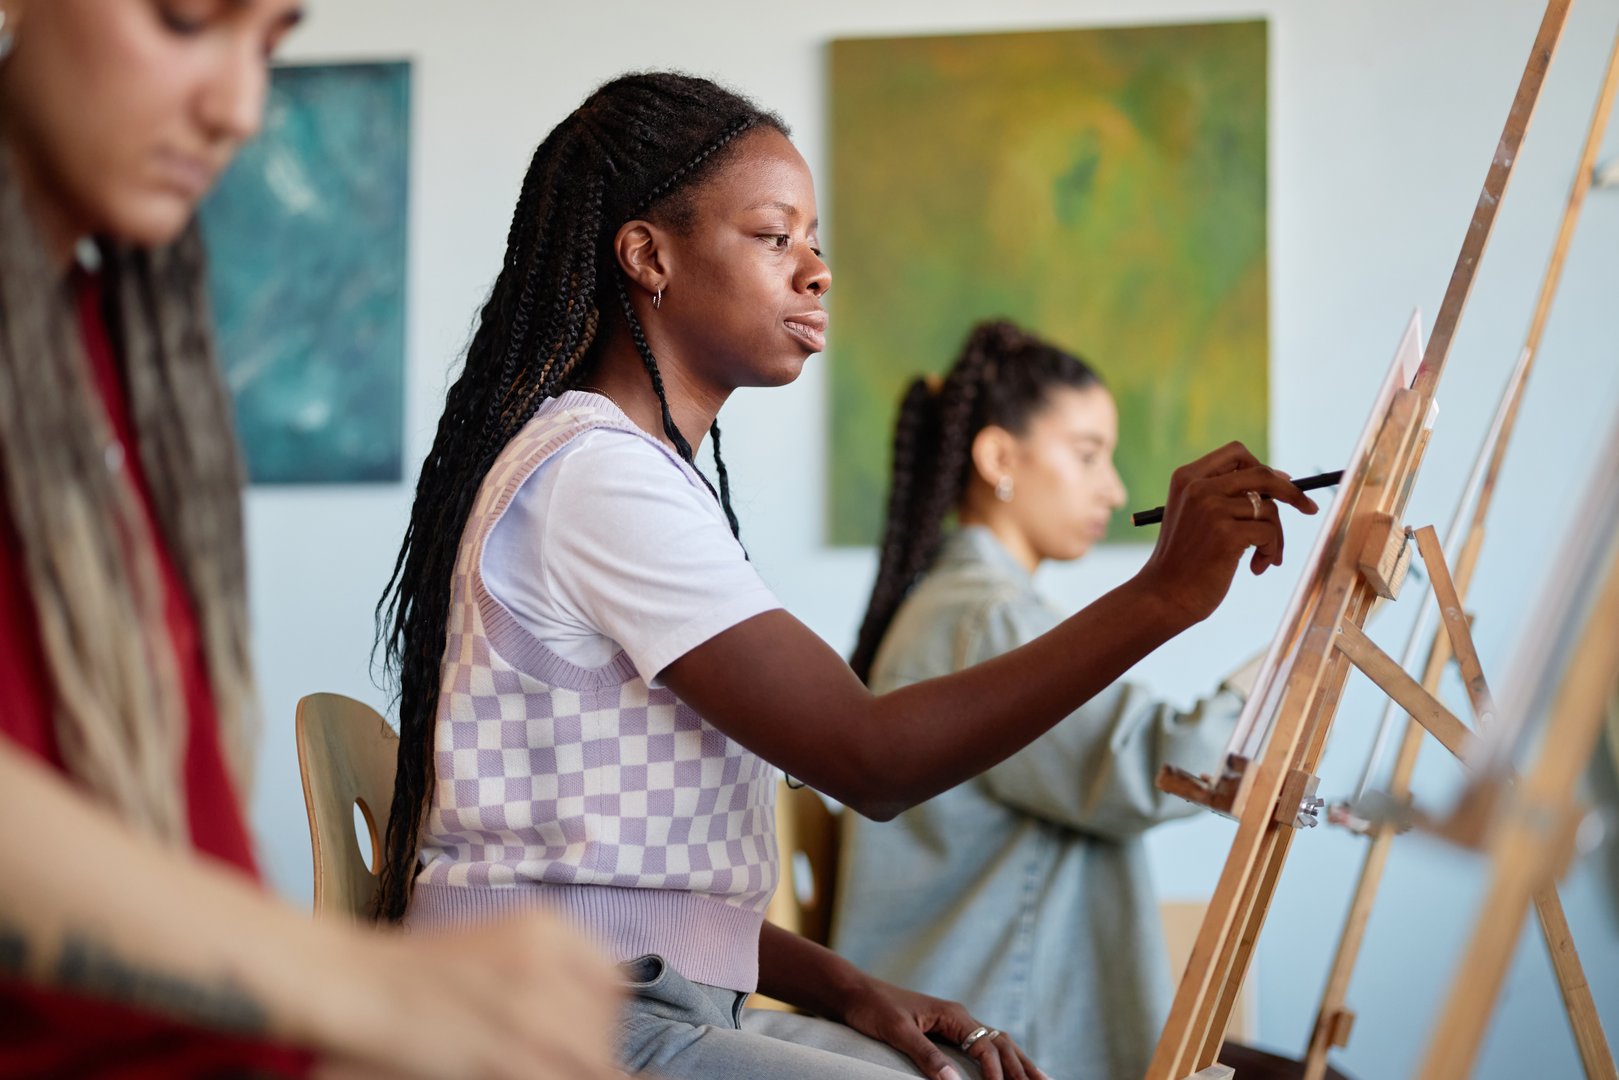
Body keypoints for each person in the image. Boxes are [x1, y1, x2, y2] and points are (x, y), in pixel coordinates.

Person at [376, 71, 1314, 1080]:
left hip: (629, 991)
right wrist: (1163, 596)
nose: (815, 270)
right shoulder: (597, 477)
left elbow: (644, 890)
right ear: (648, 255)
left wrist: (849, 987)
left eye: (814, 240)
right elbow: (872, 762)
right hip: (554, 1014)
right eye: (774, 237)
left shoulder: (637, 475)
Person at [0, 3, 619, 1077]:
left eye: (270, 43)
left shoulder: (120, 353)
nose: (239, 107)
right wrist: (357, 982)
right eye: (186, 18)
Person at [833, 321, 1260, 1080]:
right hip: (997, 1037)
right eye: (1088, 454)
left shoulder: (969, 604)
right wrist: (1274, 672)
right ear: (999, 457)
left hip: (985, 1019)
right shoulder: (983, 616)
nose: (1115, 488)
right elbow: (1152, 772)